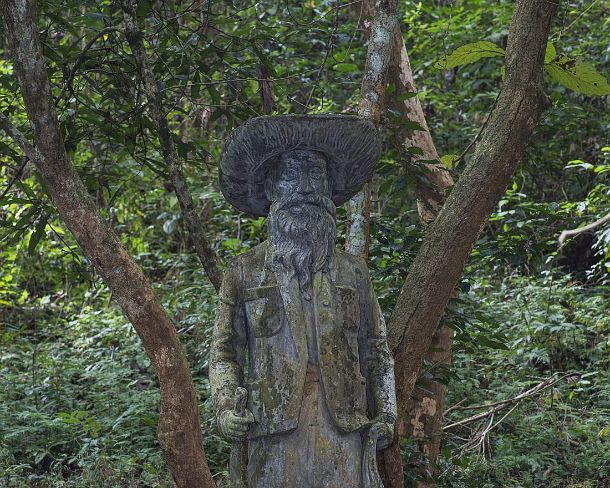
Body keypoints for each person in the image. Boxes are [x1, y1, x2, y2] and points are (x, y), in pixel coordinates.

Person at [210, 115, 396, 488]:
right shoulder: (244, 271)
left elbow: (376, 349)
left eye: (316, 175)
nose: (306, 189)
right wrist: (226, 406)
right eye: (293, 176)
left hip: (343, 426)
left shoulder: (352, 273)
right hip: (271, 428)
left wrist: (387, 411)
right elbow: (223, 352)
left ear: (330, 186)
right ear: (272, 186)